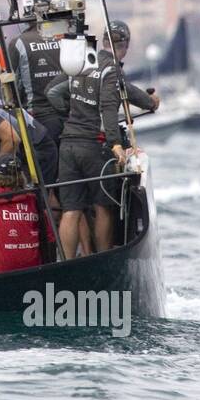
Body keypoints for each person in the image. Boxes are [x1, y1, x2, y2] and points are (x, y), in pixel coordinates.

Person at [44, 20, 158, 257]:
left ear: (105, 41)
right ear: (124, 45)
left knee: (71, 210)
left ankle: (66, 263)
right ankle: (105, 259)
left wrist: (71, 111)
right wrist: (116, 143)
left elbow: (52, 92)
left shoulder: (83, 60)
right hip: (95, 147)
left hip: (68, 143)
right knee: (102, 206)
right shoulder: (112, 70)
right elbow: (108, 108)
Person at [5, 0, 66, 143]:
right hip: (70, 116)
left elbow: (9, 84)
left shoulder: (18, 42)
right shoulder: (65, 37)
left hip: (37, 118)